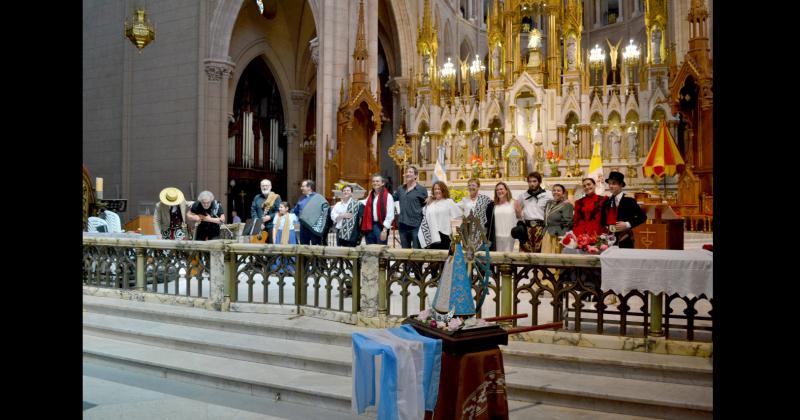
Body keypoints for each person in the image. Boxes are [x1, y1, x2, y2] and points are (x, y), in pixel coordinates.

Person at [600, 171, 647, 248]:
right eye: (609, 183)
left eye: (614, 183)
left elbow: (642, 217)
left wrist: (627, 224)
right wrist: (606, 229)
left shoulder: (629, 200)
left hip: (625, 238)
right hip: (609, 240)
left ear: (621, 185)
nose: (611, 186)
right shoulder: (606, 201)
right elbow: (603, 220)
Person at [514, 171, 553, 253]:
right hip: (527, 229)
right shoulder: (523, 196)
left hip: (541, 229)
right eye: (530, 181)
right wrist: (518, 212)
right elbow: (517, 213)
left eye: (534, 181)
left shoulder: (548, 194)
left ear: (539, 182)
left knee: (541, 255)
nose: (532, 184)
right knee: (527, 257)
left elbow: (558, 201)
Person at [418, 181, 462, 250]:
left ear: (443, 190)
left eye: (439, 189)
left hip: (445, 235)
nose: (437, 191)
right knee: (433, 259)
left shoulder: (449, 202)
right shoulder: (431, 203)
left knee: (445, 259)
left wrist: (456, 236)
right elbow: (424, 213)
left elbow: (457, 218)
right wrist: (430, 199)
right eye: (435, 189)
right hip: (432, 236)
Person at [393, 165, 428, 249]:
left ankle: (415, 263)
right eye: (407, 172)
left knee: (417, 251)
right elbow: (390, 198)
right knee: (405, 251)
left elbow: (426, 205)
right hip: (403, 224)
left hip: (416, 225)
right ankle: (406, 263)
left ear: (416, 175)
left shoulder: (421, 189)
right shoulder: (400, 189)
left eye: (410, 172)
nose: (408, 174)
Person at [457, 178, 494, 247]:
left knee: (479, 253)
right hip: (467, 229)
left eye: (473, 185)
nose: (471, 187)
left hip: (480, 229)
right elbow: (454, 208)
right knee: (467, 251)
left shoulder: (485, 199)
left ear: (478, 187)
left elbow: (493, 206)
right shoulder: (464, 199)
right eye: (469, 185)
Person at [360, 174, 395, 245]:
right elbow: (364, 203)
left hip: (381, 226)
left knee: (380, 250)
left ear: (382, 183)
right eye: (373, 181)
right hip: (369, 225)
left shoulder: (388, 196)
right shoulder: (371, 195)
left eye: (377, 181)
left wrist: (384, 230)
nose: (375, 183)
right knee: (370, 250)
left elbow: (390, 215)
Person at [292, 179, 329, 245]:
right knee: (304, 245)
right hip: (303, 226)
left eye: (303, 186)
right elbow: (296, 210)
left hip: (315, 227)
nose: (301, 188)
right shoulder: (301, 198)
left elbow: (326, 211)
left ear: (309, 187)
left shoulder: (319, 198)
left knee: (316, 247)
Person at [541, 184, 574, 254]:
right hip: (547, 233)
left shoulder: (567, 205)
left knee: (554, 257)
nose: (556, 192)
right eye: (554, 190)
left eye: (558, 191)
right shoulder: (549, 203)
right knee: (546, 256)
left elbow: (568, 223)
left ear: (563, 193)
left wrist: (563, 238)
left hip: (557, 235)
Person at [488, 181, 518, 252]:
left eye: (501, 189)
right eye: (497, 190)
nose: (499, 191)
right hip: (496, 236)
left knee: (507, 259)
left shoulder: (513, 202)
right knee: (497, 259)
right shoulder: (493, 205)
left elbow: (519, 218)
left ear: (506, 190)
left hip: (509, 236)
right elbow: (489, 221)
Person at [271, 201, 297, 275]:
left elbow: (298, 223)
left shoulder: (292, 216)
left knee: (291, 251)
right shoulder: (277, 216)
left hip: (290, 234)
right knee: (280, 252)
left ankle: (291, 269)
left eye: (281, 207)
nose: (279, 208)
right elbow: (274, 228)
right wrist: (274, 238)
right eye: (279, 207)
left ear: (287, 208)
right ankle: (280, 269)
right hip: (279, 234)